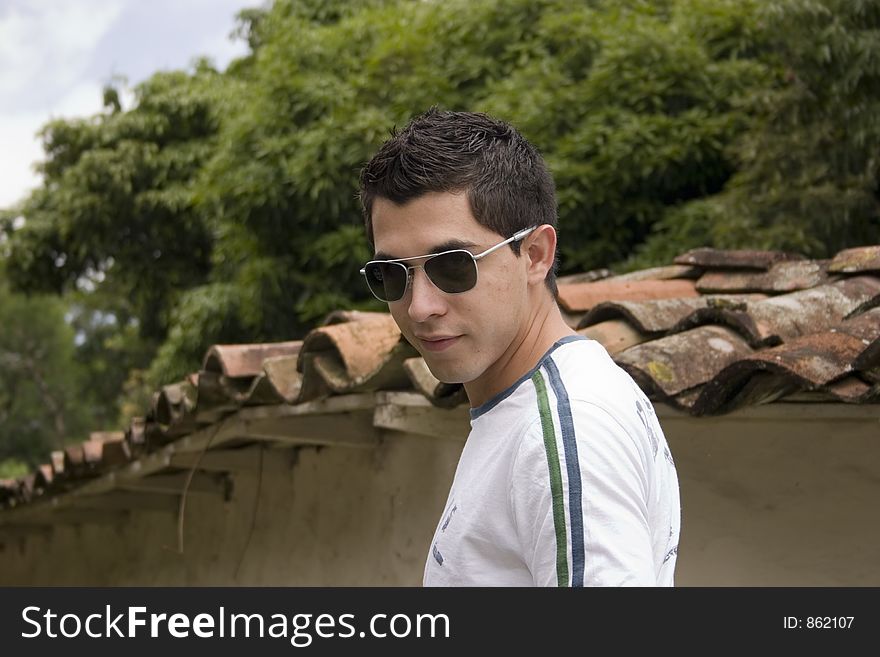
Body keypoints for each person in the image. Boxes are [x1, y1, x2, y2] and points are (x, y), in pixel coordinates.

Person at [357, 108, 681, 586]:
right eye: (392, 275)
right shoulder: (532, 410)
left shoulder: (566, 429)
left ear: (534, 255)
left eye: (453, 266)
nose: (421, 306)